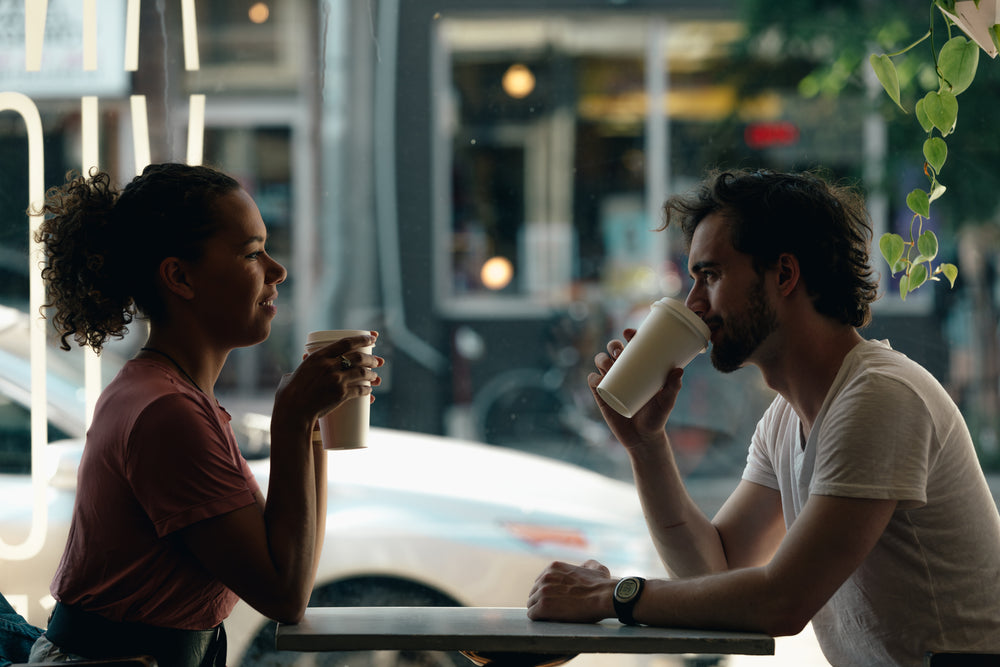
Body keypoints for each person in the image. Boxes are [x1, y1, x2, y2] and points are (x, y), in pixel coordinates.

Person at [526, 169, 1000, 665]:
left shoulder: (880, 397)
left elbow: (781, 602)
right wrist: (646, 446)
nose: (693, 304)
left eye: (710, 276)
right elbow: (716, 570)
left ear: (785, 274)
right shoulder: (786, 419)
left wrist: (610, 596)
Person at [27, 163, 383, 667]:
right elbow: (284, 594)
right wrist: (295, 420)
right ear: (179, 276)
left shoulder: (163, 391)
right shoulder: (167, 414)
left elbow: (288, 566)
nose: (278, 271)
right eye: (253, 253)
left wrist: (313, 422)